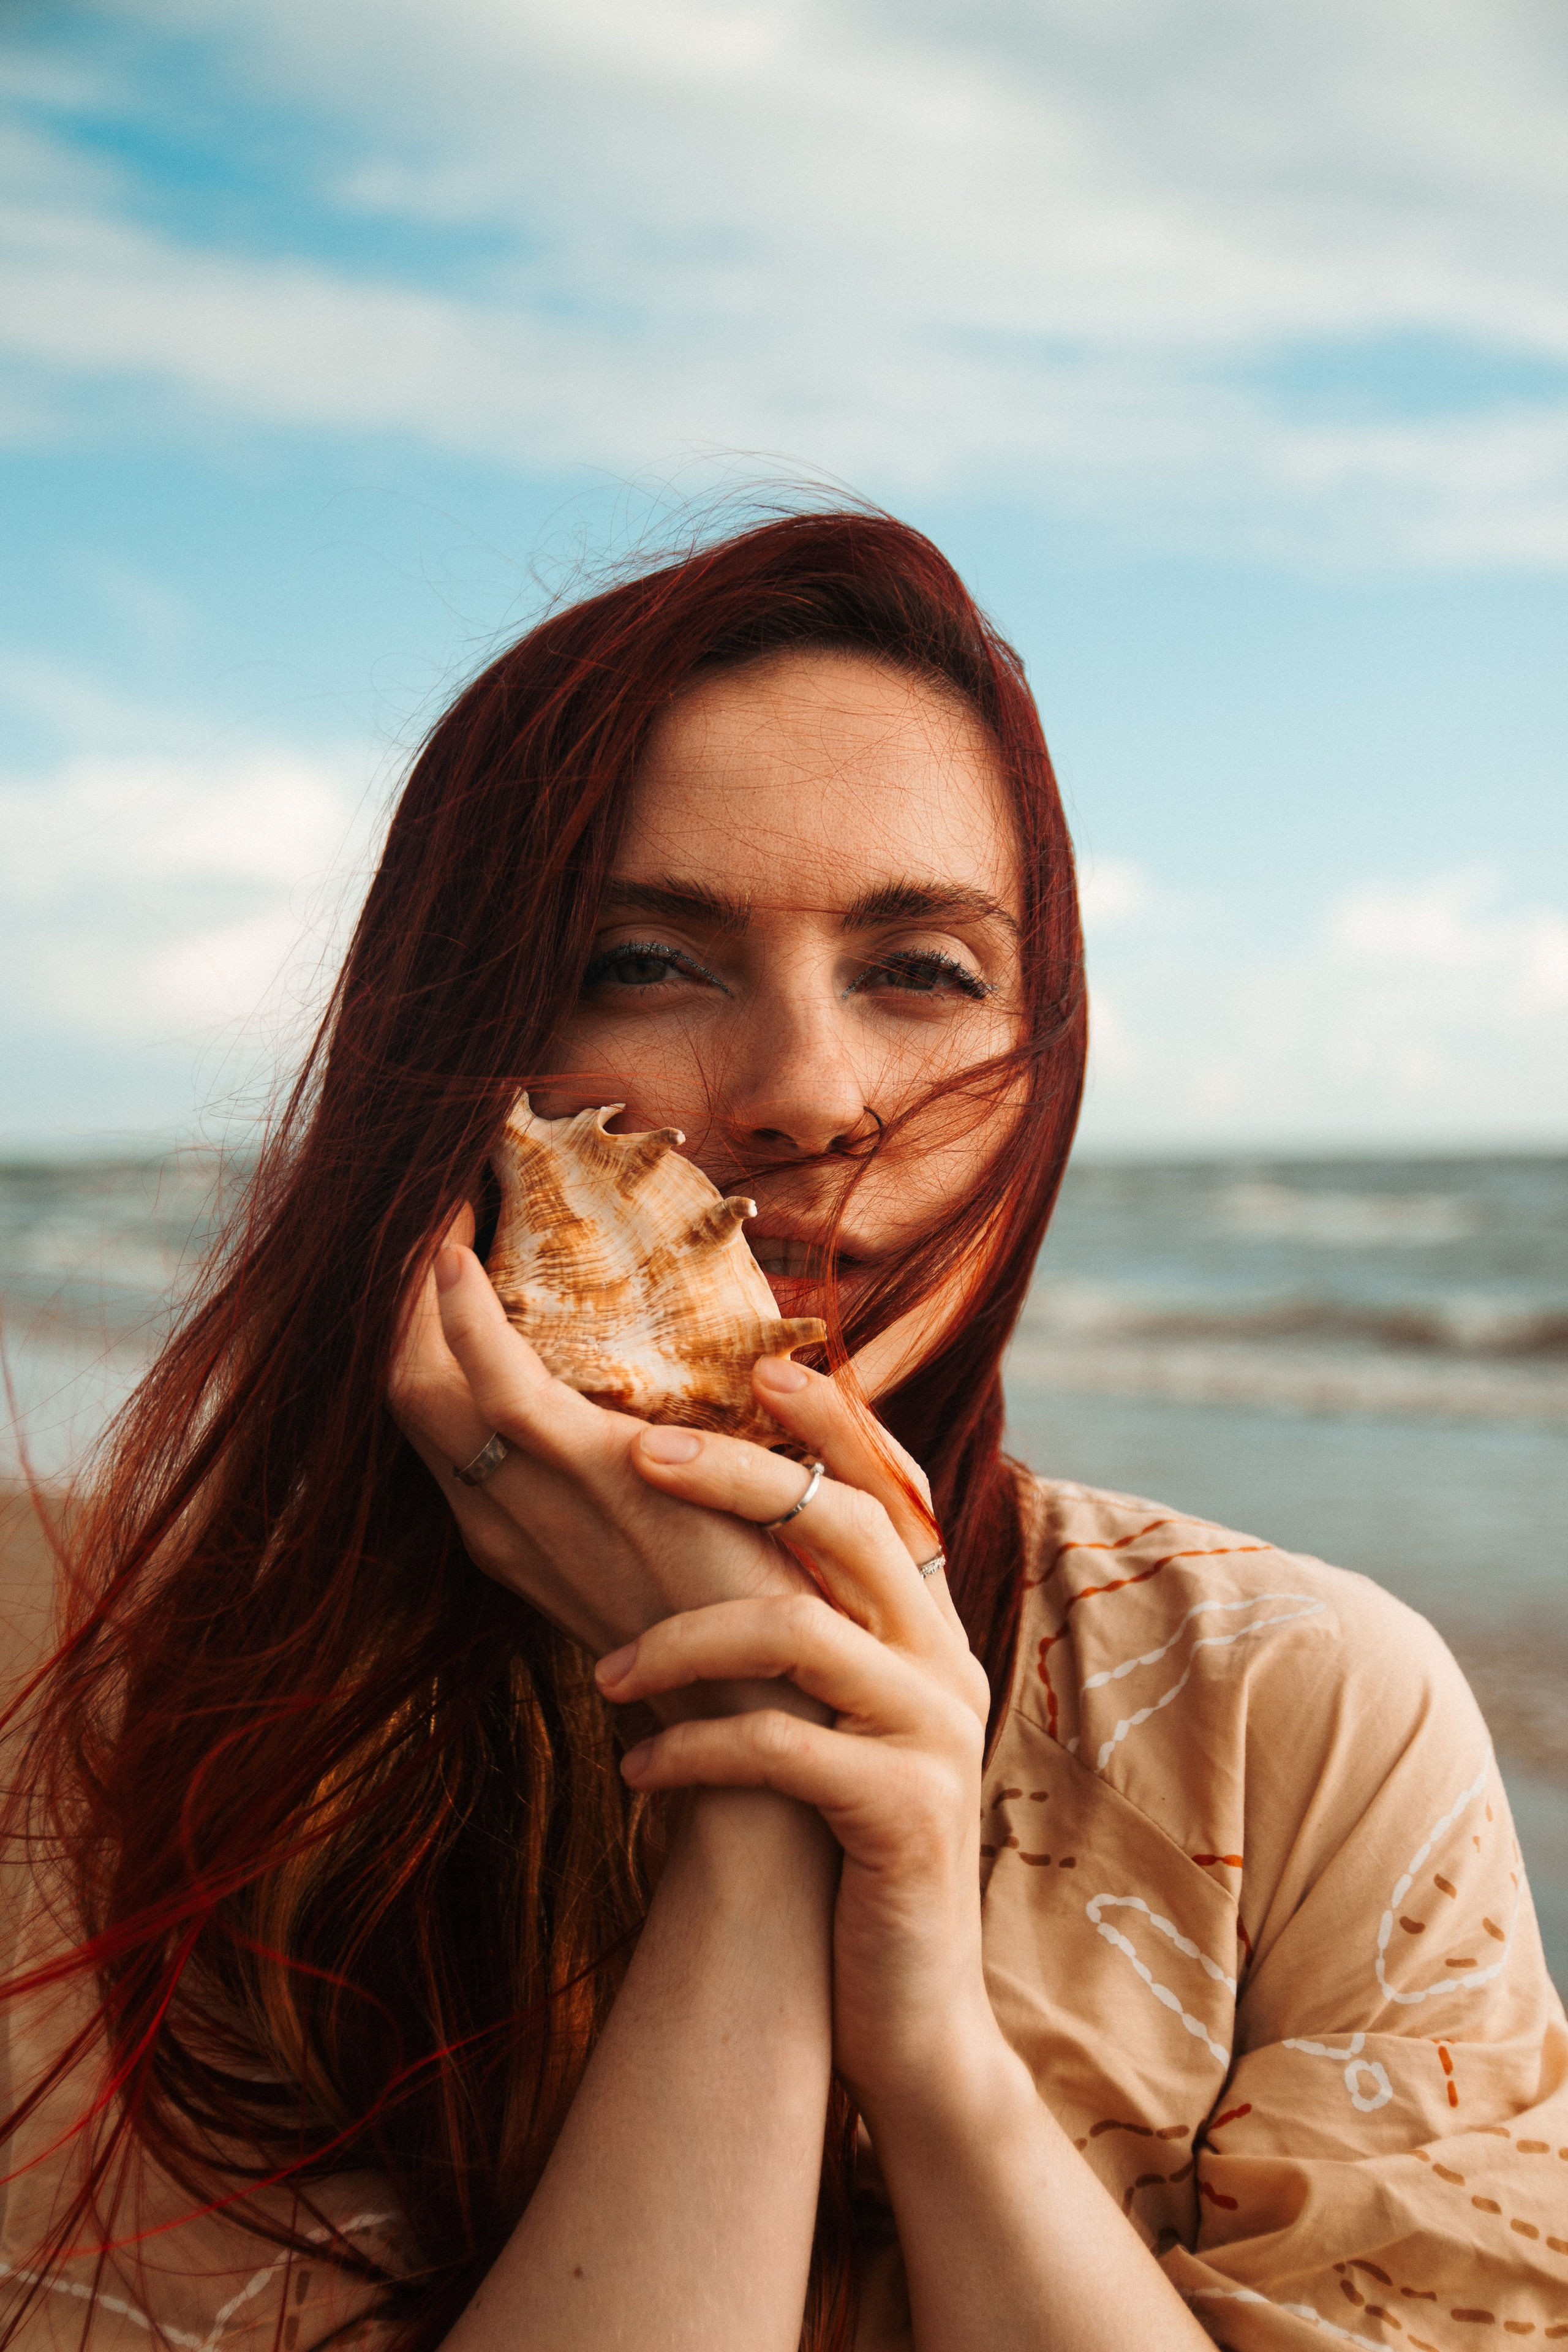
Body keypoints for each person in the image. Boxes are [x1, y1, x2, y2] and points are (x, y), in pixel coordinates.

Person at [2, 510, 1564, 2352]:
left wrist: (944, 2066)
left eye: (924, 972)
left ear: (1046, 1054)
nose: (808, 1097)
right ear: (453, 1043)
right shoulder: (112, 1722)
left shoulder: (1286, 1709)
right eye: (648, 963)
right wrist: (758, 1813)